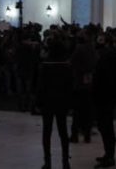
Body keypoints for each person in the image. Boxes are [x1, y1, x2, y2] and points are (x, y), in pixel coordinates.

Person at [38, 36, 73, 169]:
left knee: (47, 131)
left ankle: (47, 161)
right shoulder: (66, 66)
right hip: (62, 101)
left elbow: (41, 86)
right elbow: (70, 86)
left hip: (48, 101)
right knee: (63, 131)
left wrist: (38, 102)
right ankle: (65, 160)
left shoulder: (46, 65)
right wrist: (70, 103)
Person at [93, 32, 116, 167]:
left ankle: (110, 156)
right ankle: (108, 154)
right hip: (108, 96)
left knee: (106, 126)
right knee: (105, 126)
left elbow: (104, 77)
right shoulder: (112, 55)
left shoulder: (107, 57)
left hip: (105, 96)